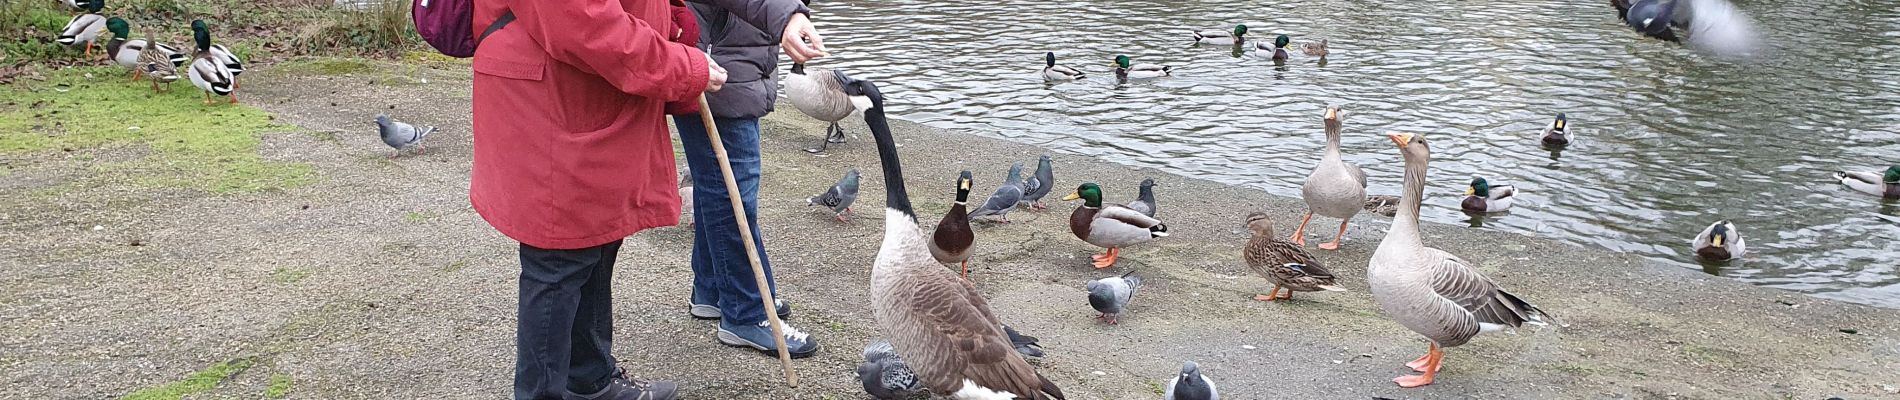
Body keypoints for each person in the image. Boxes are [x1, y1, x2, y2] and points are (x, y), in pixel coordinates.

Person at [468, 0, 727, 398]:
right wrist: (680, 67)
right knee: (557, 260)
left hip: (593, 99)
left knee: (596, 242)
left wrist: (673, 19)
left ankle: (589, 380)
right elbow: (583, 22)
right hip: (555, 105)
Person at [672, 0, 829, 358]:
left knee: (715, 185)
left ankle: (713, 290)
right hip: (720, 70)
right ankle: (746, 313)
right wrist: (790, 16)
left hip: (726, 64)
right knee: (733, 196)